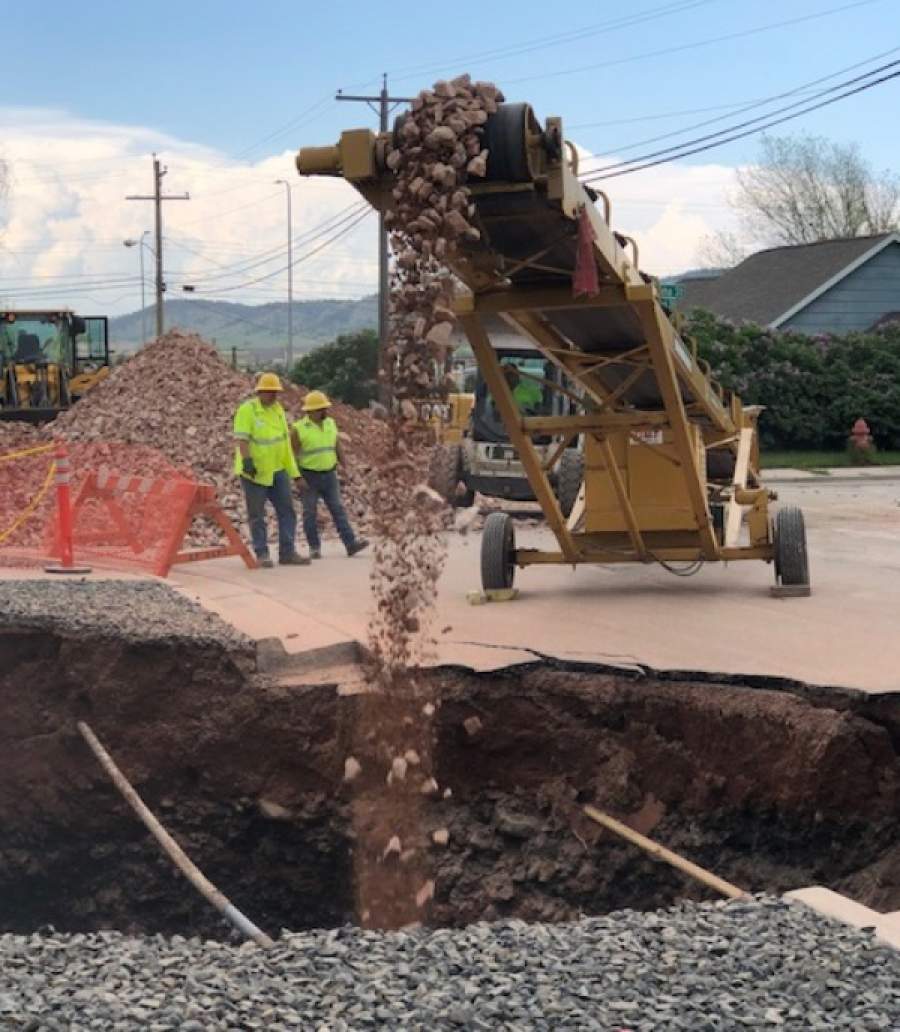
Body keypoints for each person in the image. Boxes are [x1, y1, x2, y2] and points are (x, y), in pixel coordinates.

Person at [233, 372, 309, 568]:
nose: (273, 395)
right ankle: (262, 553)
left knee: (287, 511)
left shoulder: (278, 411)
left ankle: (287, 552)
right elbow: (242, 439)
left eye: (275, 391)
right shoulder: (247, 410)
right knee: (257, 515)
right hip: (255, 473)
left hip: (277, 470)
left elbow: (285, 446)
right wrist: (247, 461)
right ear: (260, 391)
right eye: (269, 391)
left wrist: (295, 475)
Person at [291, 390, 369, 559]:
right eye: (321, 409)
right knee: (310, 513)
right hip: (309, 476)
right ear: (311, 411)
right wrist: (297, 477)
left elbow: (336, 445)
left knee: (338, 509)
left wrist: (344, 465)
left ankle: (350, 543)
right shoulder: (298, 429)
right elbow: (292, 455)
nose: (324, 411)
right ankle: (314, 547)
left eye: (325, 408)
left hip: (329, 474)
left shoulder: (330, 424)